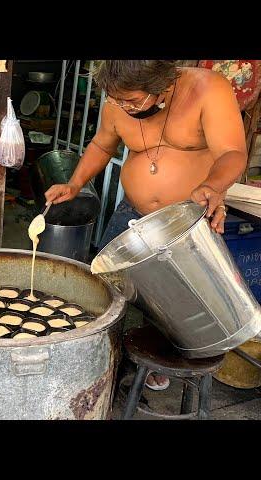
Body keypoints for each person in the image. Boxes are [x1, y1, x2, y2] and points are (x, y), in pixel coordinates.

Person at [44, 60, 248, 391]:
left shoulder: (207, 88)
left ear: (163, 85)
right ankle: (103, 360)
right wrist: (76, 183)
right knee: (106, 290)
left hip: (186, 223)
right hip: (132, 213)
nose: (123, 107)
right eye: (116, 100)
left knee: (170, 303)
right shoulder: (119, 99)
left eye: (133, 101)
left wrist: (214, 185)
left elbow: (233, 152)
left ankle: (150, 363)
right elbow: (101, 144)